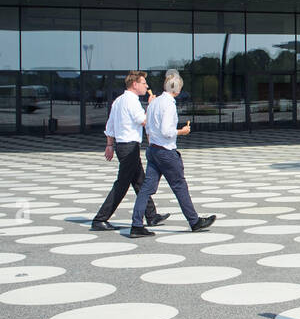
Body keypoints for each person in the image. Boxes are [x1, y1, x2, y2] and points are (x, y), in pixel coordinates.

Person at [129, 71, 215, 237]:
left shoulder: (154, 103)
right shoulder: (169, 104)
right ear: (177, 89)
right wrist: (182, 131)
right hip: (165, 151)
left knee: (146, 189)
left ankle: (136, 224)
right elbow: (167, 131)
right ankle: (194, 221)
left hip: (153, 150)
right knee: (179, 186)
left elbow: (147, 127)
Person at [91, 71, 168, 231]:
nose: (146, 86)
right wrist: (152, 105)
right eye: (144, 83)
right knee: (122, 184)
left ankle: (151, 215)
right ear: (135, 84)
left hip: (123, 146)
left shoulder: (118, 101)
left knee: (140, 181)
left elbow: (110, 126)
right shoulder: (132, 101)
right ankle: (100, 218)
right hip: (129, 147)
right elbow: (144, 121)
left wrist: (110, 145)